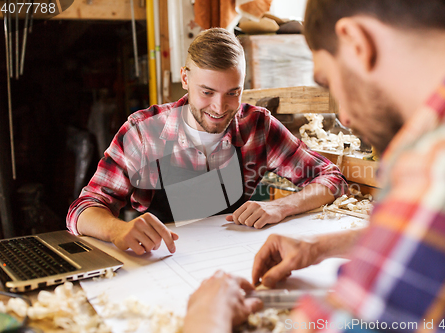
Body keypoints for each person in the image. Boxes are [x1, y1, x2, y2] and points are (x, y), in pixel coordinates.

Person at [182, 0, 445, 332]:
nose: (344, 116)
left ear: (357, 43)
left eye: (329, 81)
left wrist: (206, 315)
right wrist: (321, 247)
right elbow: (443, 236)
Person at [66, 27, 346, 255]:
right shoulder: (143, 132)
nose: (219, 107)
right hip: (162, 259)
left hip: (234, 255)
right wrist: (117, 230)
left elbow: (331, 178)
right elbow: (82, 210)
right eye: (207, 92)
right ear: (185, 78)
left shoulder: (257, 126)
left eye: (232, 93)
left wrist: (281, 206)